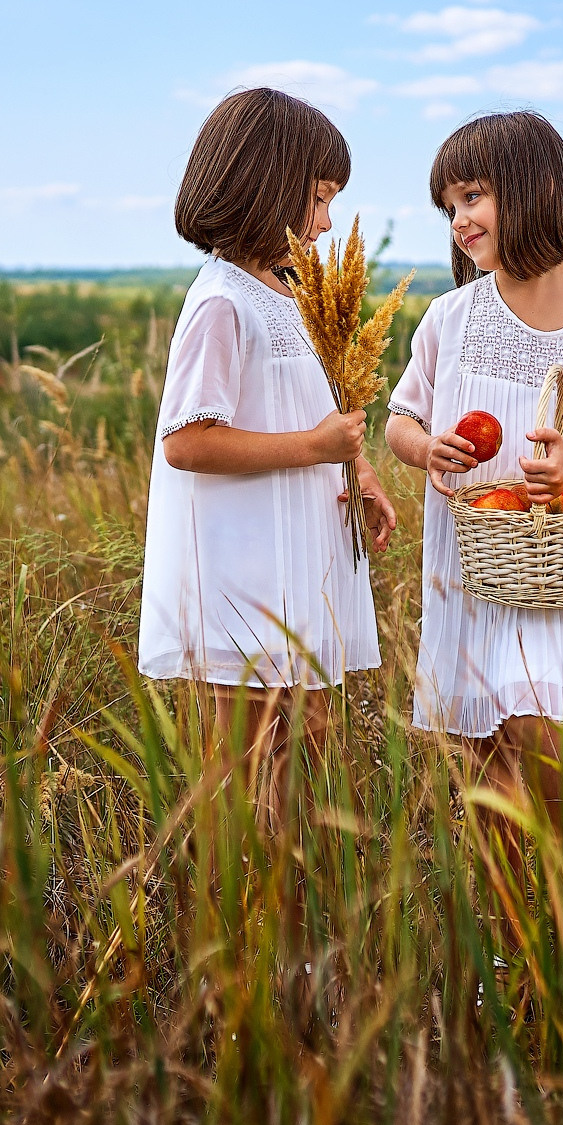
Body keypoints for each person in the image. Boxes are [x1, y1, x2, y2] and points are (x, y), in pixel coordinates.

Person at [383, 110, 563, 863]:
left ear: (536, 191)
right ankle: (510, 928)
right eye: (448, 207)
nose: (459, 220)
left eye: (472, 196)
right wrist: (427, 448)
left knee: (540, 728)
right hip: (472, 565)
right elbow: (400, 418)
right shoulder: (451, 318)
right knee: (484, 762)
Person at [139, 87, 396, 822]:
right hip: (241, 575)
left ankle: (293, 893)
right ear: (266, 187)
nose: (328, 221)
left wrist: (357, 469)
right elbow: (188, 441)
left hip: (297, 568)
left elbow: (312, 410)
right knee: (240, 765)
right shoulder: (221, 302)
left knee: (303, 755)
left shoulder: (289, 293)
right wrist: (316, 446)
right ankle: (218, 890)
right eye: (320, 199)